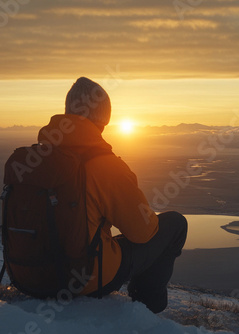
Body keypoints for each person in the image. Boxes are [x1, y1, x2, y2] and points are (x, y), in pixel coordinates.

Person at [37, 77, 187, 313]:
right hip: (85, 279)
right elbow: (142, 232)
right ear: (102, 120)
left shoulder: (37, 158)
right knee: (176, 224)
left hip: (35, 274)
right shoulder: (103, 164)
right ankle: (148, 311)